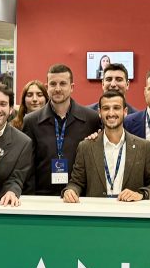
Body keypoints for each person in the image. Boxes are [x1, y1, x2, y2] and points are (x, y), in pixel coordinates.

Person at [62, 91, 150, 203]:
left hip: (130, 211)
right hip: (96, 210)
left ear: (125, 112)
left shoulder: (143, 147)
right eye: (106, 108)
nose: (111, 113)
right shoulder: (86, 147)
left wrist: (141, 194)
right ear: (99, 113)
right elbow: (76, 182)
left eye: (116, 108)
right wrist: (70, 190)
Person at [22, 64, 101, 197]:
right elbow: (27, 165)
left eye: (63, 84)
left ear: (72, 87)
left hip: (80, 196)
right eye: (53, 84)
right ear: (47, 87)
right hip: (42, 196)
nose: (57, 89)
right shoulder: (31, 121)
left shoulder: (91, 119)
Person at [0, 84, 34, 205]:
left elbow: (17, 178)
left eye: (3, 104)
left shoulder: (23, 142)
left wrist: (11, 191)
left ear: (10, 109)